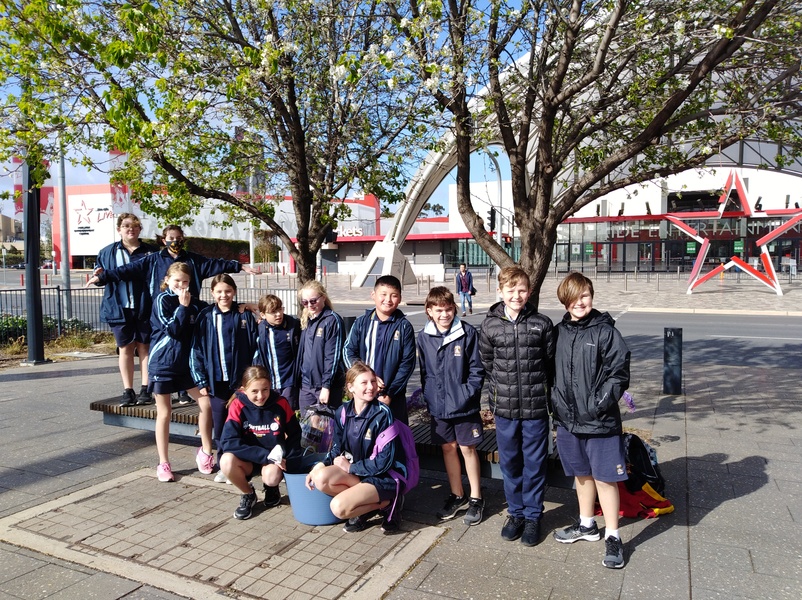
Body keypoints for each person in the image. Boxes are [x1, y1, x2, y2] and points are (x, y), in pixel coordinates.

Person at [87, 224, 259, 404]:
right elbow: (126, 270)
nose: (174, 241)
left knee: (188, 349)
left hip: (189, 311)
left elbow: (215, 264)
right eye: (171, 238)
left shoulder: (192, 260)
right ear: (163, 240)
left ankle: (185, 389)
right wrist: (102, 277)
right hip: (166, 316)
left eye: (178, 238)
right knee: (166, 348)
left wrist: (239, 267)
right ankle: (149, 388)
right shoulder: (153, 260)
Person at [551, 272, 631, 569]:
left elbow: (618, 374)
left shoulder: (605, 332)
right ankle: (587, 525)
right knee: (581, 475)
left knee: (605, 478)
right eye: (573, 297)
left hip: (600, 422)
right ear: (565, 301)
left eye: (584, 295)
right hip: (569, 422)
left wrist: (598, 404)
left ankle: (613, 535)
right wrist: (555, 405)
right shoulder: (559, 332)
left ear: (591, 296)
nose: (579, 302)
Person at [479, 266, 555, 546]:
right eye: (510, 290)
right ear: (500, 291)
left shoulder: (542, 323)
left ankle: (534, 516)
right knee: (510, 464)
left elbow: (548, 363)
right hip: (505, 410)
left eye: (522, 289)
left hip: (535, 409)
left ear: (530, 291)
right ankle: (516, 513)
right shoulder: (489, 325)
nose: (516, 295)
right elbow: (487, 363)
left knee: (534, 464)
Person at [305, 362, 406, 534]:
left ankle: (389, 504)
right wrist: (319, 466)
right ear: (350, 387)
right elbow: (336, 448)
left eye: (373, 381)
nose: (371, 387)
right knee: (320, 478)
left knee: (338, 509)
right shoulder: (343, 412)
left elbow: (385, 462)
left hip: (384, 477)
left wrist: (351, 467)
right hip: (359, 474)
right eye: (364, 383)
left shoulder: (383, 414)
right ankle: (365, 505)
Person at [417, 286, 486, 525]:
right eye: (439, 310)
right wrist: (429, 395)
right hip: (439, 406)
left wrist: (467, 393)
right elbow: (425, 372)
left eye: (448, 309)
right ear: (429, 311)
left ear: (454, 309)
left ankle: (477, 498)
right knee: (448, 448)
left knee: (468, 449)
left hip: (464, 405)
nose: (444, 314)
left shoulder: (467, 332)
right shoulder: (424, 336)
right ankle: (458, 494)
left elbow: (477, 369)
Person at [190, 274, 259, 481]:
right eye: (219, 291)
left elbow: (256, 347)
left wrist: (251, 380)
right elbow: (197, 350)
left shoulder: (243, 315)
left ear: (234, 291)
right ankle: (224, 466)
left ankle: (244, 464)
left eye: (227, 291)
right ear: (212, 293)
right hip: (216, 383)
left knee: (242, 423)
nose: (223, 295)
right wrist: (201, 380)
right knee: (220, 425)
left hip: (240, 383)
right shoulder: (205, 316)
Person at [147, 262, 208, 482]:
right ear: (167, 281)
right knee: (165, 413)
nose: (181, 286)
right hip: (163, 364)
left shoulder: (193, 302)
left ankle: (205, 451)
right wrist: (182, 307)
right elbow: (173, 330)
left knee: (205, 403)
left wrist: (241, 306)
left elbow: (210, 309)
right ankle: (163, 463)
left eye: (185, 282)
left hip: (186, 365)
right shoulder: (163, 300)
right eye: (177, 282)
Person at [219, 365, 302, 520]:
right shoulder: (237, 404)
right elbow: (228, 442)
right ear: (244, 390)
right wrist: (264, 455)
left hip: (271, 460)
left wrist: (289, 460)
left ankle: (271, 488)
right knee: (226, 461)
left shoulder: (281, 403)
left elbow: (295, 434)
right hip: (248, 459)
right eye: (254, 391)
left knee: (271, 477)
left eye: (265, 389)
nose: (261, 396)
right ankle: (248, 494)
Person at [95, 213, 158, 407]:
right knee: (125, 348)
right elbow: (100, 277)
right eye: (126, 226)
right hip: (119, 308)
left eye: (135, 226)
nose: (131, 229)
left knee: (145, 346)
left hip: (144, 307)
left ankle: (146, 389)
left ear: (140, 229)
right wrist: (97, 275)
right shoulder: (107, 252)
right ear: (119, 229)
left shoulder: (151, 252)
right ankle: (128, 389)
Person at [343, 275, 416, 425]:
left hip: (392, 398)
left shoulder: (404, 327)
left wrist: (390, 393)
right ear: (373, 295)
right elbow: (348, 351)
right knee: (362, 439)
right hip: (363, 394)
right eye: (383, 294)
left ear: (400, 298)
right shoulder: (361, 323)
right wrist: (364, 376)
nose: (388, 299)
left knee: (392, 441)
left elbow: (407, 364)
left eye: (393, 295)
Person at [295, 281, 345, 413]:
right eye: (305, 302)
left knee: (327, 429)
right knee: (307, 428)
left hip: (324, 386)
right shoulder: (308, 319)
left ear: (323, 297)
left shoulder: (332, 320)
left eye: (313, 301)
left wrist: (326, 386)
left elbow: (332, 357)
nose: (309, 305)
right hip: (306, 384)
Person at [253, 294, 301, 410]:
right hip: (269, 382)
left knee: (287, 414)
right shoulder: (260, 328)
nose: (278, 314)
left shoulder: (293, 326)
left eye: (280, 309)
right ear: (263, 315)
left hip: (288, 381)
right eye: (273, 312)